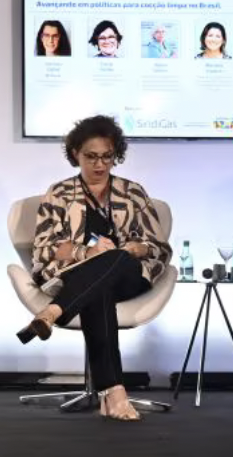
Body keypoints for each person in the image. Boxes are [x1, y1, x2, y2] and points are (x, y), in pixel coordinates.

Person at [17, 114, 172, 422]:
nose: (100, 165)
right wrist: (85, 251)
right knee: (99, 288)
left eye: (107, 157)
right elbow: (44, 249)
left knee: (117, 259)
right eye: (91, 157)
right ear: (76, 154)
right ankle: (114, 393)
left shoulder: (133, 192)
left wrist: (137, 248)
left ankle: (53, 312)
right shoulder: (60, 194)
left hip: (130, 276)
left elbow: (160, 247)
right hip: (78, 276)